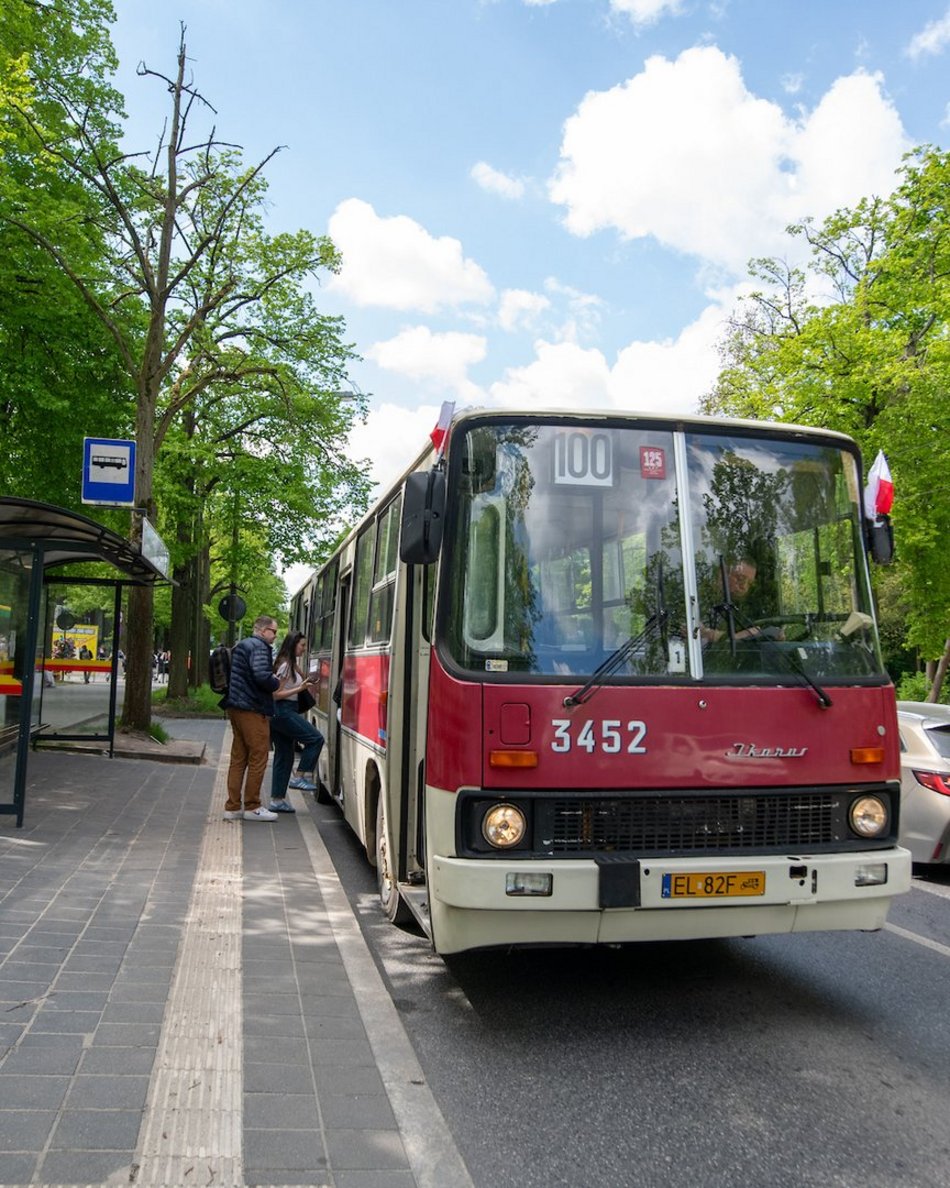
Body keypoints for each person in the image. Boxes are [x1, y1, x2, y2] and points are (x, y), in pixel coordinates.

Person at [222, 615, 281, 822]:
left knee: (238, 758)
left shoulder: (243, 645)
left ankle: (232, 807)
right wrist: (275, 682)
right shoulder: (259, 647)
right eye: (274, 631)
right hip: (253, 708)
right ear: (263, 630)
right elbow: (261, 675)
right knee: (259, 756)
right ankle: (253, 806)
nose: (275, 636)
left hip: (236, 706)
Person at [268, 631, 325, 813]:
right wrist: (299, 688)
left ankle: (277, 800)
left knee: (284, 756)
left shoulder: (290, 664)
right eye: (302, 645)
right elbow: (275, 695)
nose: (304, 649)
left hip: (281, 713)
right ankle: (299, 776)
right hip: (283, 711)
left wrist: (303, 679)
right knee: (315, 739)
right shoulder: (285, 665)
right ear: (293, 645)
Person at [700, 557, 785, 645]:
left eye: (749, 583)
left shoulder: (740, 607)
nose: (744, 587)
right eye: (741, 579)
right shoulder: (699, 594)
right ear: (723, 573)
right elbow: (695, 631)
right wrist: (739, 636)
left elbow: (757, 628)